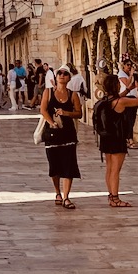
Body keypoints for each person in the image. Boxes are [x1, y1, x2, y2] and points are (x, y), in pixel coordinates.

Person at [94, 68, 138, 208]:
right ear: (115, 85)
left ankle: (111, 196)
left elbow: (118, 98)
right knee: (116, 170)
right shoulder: (121, 102)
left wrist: (128, 89)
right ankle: (115, 199)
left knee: (109, 169)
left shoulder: (105, 100)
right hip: (117, 138)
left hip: (106, 139)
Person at [40, 66, 83, 209]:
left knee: (68, 165)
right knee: (54, 165)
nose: (62, 75)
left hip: (68, 133)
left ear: (69, 78)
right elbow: (43, 110)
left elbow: (79, 113)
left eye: (65, 74)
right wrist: (51, 123)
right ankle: (57, 192)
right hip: (52, 133)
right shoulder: (48, 92)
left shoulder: (73, 95)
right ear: (56, 76)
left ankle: (66, 197)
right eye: (60, 73)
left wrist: (66, 113)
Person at [118, 56, 138, 149]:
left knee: (131, 120)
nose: (129, 66)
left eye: (130, 65)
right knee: (128, 120)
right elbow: (127, 84)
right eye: (128, 65)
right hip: (127, 98)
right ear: (123, 66)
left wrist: (135, 63)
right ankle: (130, 139)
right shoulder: (121, 74)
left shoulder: (132, 73)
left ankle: (128, 139)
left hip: (133, 97)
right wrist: (131, 75)